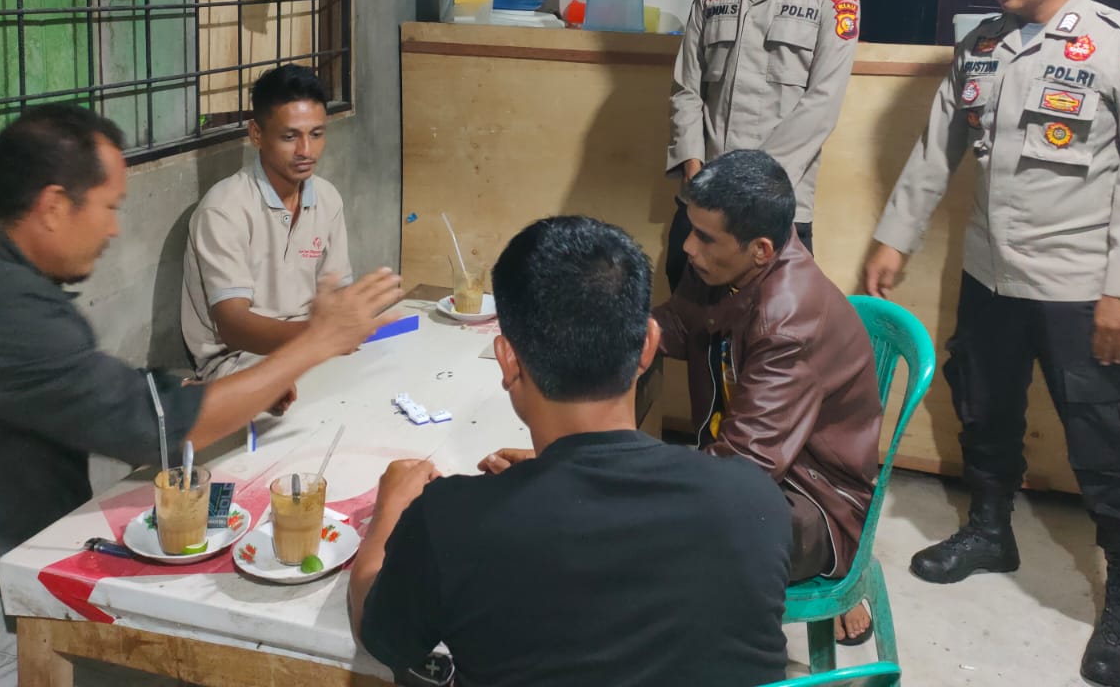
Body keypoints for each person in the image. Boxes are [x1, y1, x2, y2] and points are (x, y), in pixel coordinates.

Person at [0, 104, 403, 687]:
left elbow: (84, 385)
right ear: (53, 207)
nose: (115, 229)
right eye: (109, 208)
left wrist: (233, 389)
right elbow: (157, 430)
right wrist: (315, 342)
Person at [863, 0, 1120, 687]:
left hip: (1078, 285)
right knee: (985, 408)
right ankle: (990, 529)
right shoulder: (982, 47)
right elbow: (936, 149)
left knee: (1106, 442)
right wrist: (894, 239)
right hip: (990, 274)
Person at [348, 216, 793, 687]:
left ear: (507, 359)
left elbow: (380, 635)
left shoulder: (449, 523)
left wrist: (390, 511)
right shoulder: (753, 499)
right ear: (648, 345)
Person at [653, 149, 882, 642]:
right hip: (759, 463)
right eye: (690, 229)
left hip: (815, 499)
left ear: (760, 249)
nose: (688, 247)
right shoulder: (724, 266)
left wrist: (624, 474)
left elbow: (743, 469)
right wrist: (611, 338)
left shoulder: (788, 319)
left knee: (655, 539)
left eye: (705, 237)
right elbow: (678, 322)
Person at [665, 0, 859, 288]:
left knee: (774, 327)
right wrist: (693, 166)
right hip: (704, 205)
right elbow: (686, 89)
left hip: (778, 210)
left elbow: (822, 105)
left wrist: (750, 188)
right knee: (692, 324)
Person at [182, 65, 353, 380]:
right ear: (256, 134)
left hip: (309, 349)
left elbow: (337, 293)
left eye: (316, 134)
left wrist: (349, 319)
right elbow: (234, 328)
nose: (306, 151)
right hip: (240, 363)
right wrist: (320, 336)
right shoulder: (224, 209)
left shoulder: (327, 198)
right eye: (290, 136)